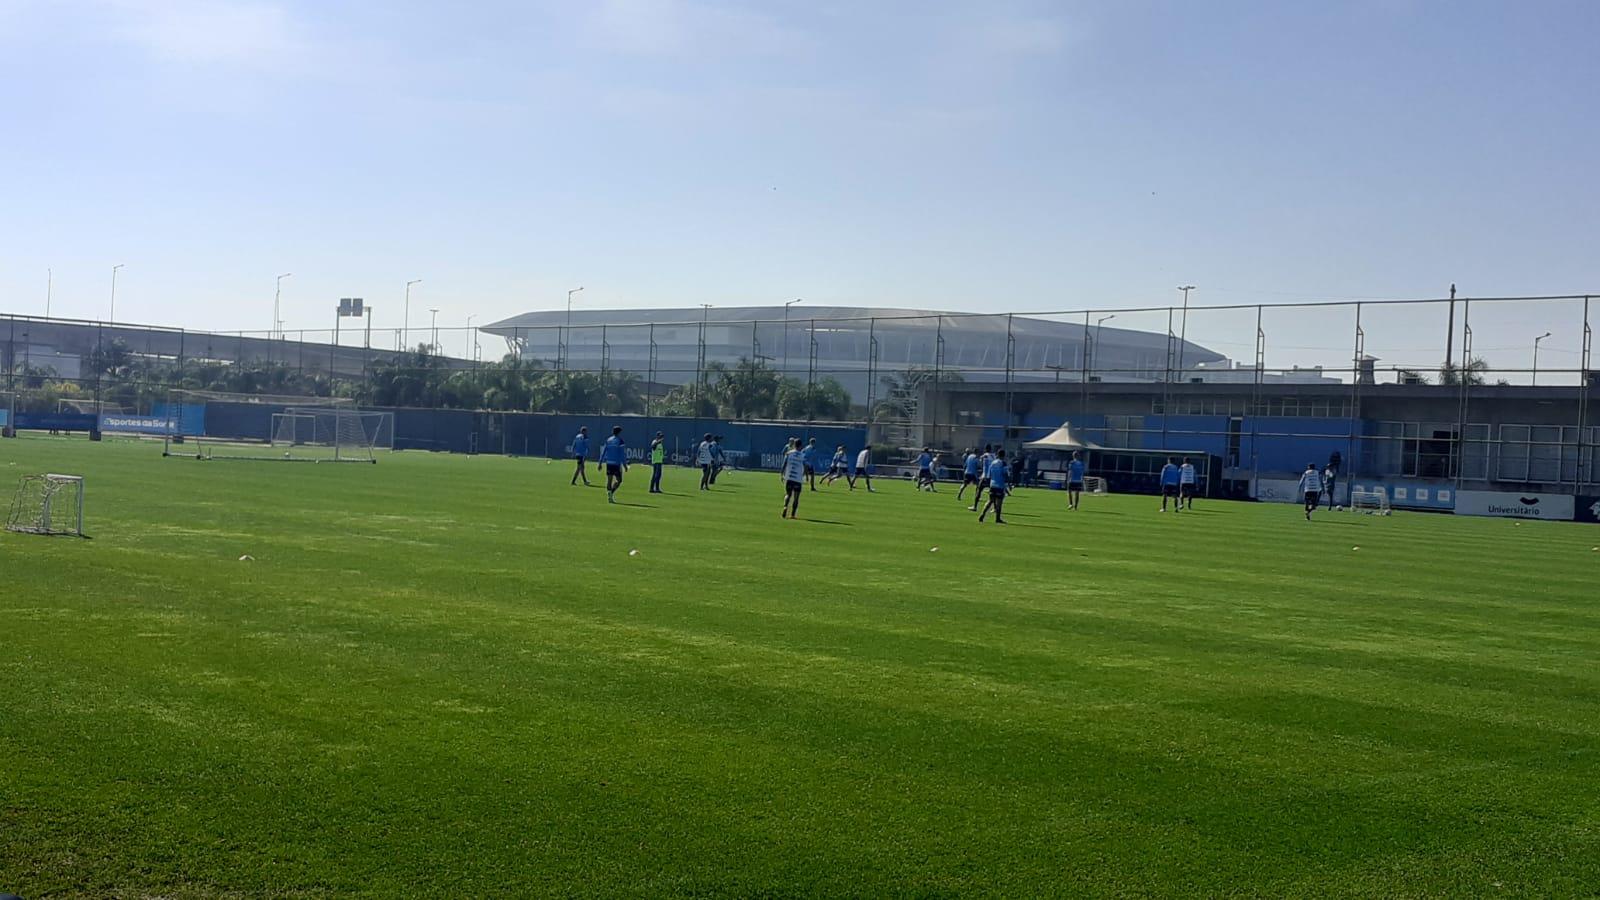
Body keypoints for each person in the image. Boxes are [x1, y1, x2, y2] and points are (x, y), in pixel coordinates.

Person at [978, 449, 1009, 524]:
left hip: (992, 484)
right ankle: (997, 519)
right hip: (1000, 485)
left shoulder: (992, 463)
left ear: (997, 455)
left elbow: (989, 475)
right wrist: (1008, 483)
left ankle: (982, 514)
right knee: (999, 503)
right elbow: (1005, 474)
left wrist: (989, 484)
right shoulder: (1003, 463)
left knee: (990, 501)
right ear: (1004, 455)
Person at [599, 426, 628, 503]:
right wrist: (625, 465)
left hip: (609, 463)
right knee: (619, 480)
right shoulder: (620, 441)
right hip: (616, 464)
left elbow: (603, 451)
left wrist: (600, 463)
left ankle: (609, 495)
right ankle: (611, 493)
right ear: (619, 432)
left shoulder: (608, 440)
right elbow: (622, 454)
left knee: (609, 480)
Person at [780, 437, 807, 518]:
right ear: (801, 446)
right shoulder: (803, 455)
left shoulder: (789, 453)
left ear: (794, 445)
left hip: (789, 477)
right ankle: (793, 514)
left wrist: (781, 474)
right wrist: (805, 475)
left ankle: (785, 507)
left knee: (788, 494)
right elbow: (805, 467)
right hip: (798, 479)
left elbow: (784, 465)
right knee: (796, 497)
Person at [970, 444, 995, 511]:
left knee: (978, 490)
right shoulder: (994, 455)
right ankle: (995, 508)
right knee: (993, 493)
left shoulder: (985, 455)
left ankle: (975, 507)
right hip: (992, 477)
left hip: (985, 477)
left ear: (985, 449)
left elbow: (981, 459)